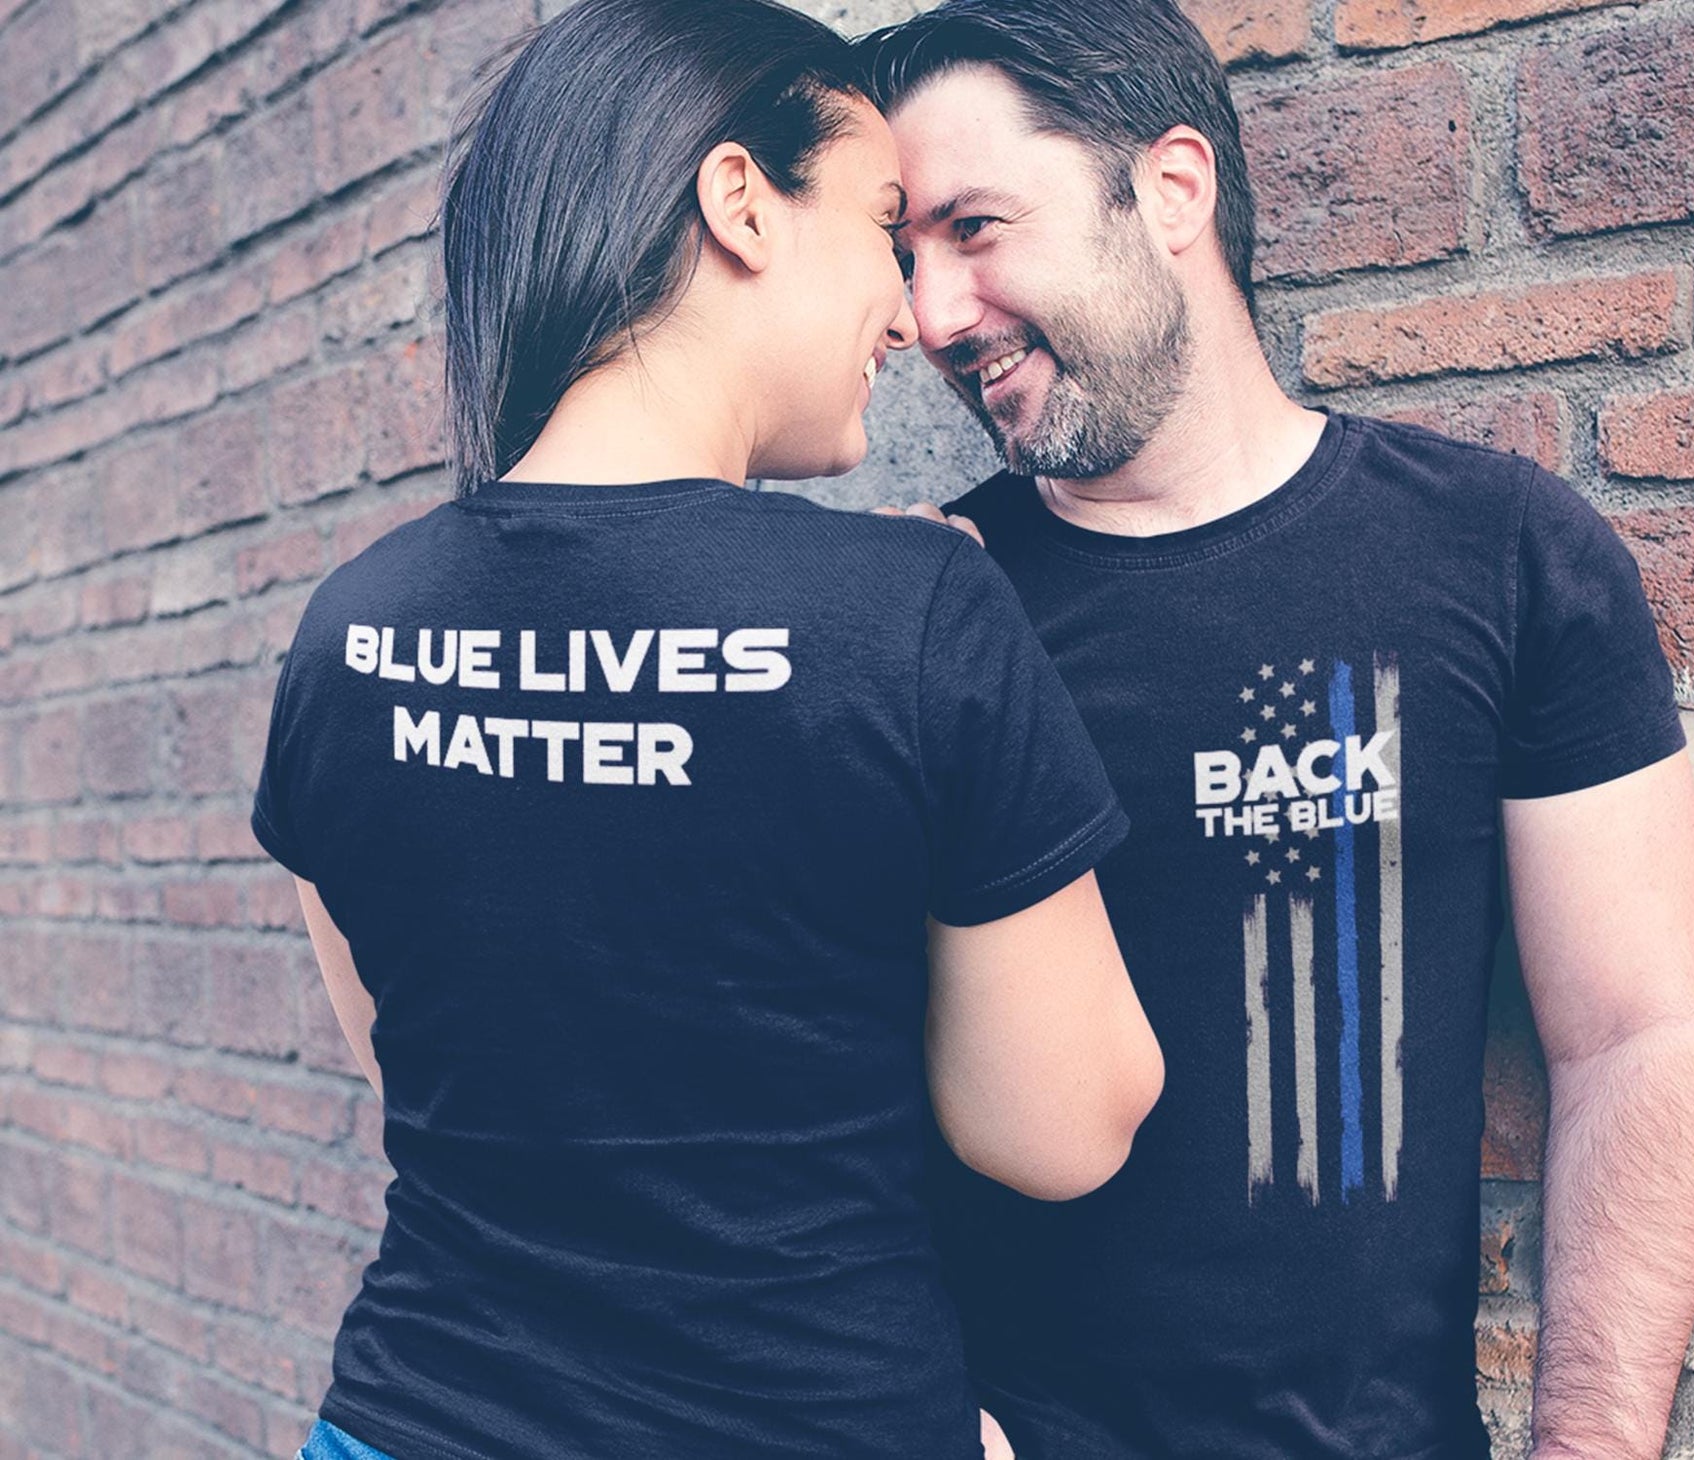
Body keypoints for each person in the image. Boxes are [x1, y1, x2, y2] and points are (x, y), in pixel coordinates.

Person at [251, 3, 1164, 1458]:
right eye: (883, 227)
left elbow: (413, 1067)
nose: (910, 307)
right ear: (740, 202)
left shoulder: (346, 628)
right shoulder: (911, 612)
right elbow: (1060, 1129)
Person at [860, 3, 1694, 1457]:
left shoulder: (1498, 554)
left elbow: (1637, 1033)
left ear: (1170, 190)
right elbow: (813, 1090)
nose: (935, 316)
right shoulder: (915, 608)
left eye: (974, 227)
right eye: (904, 256)